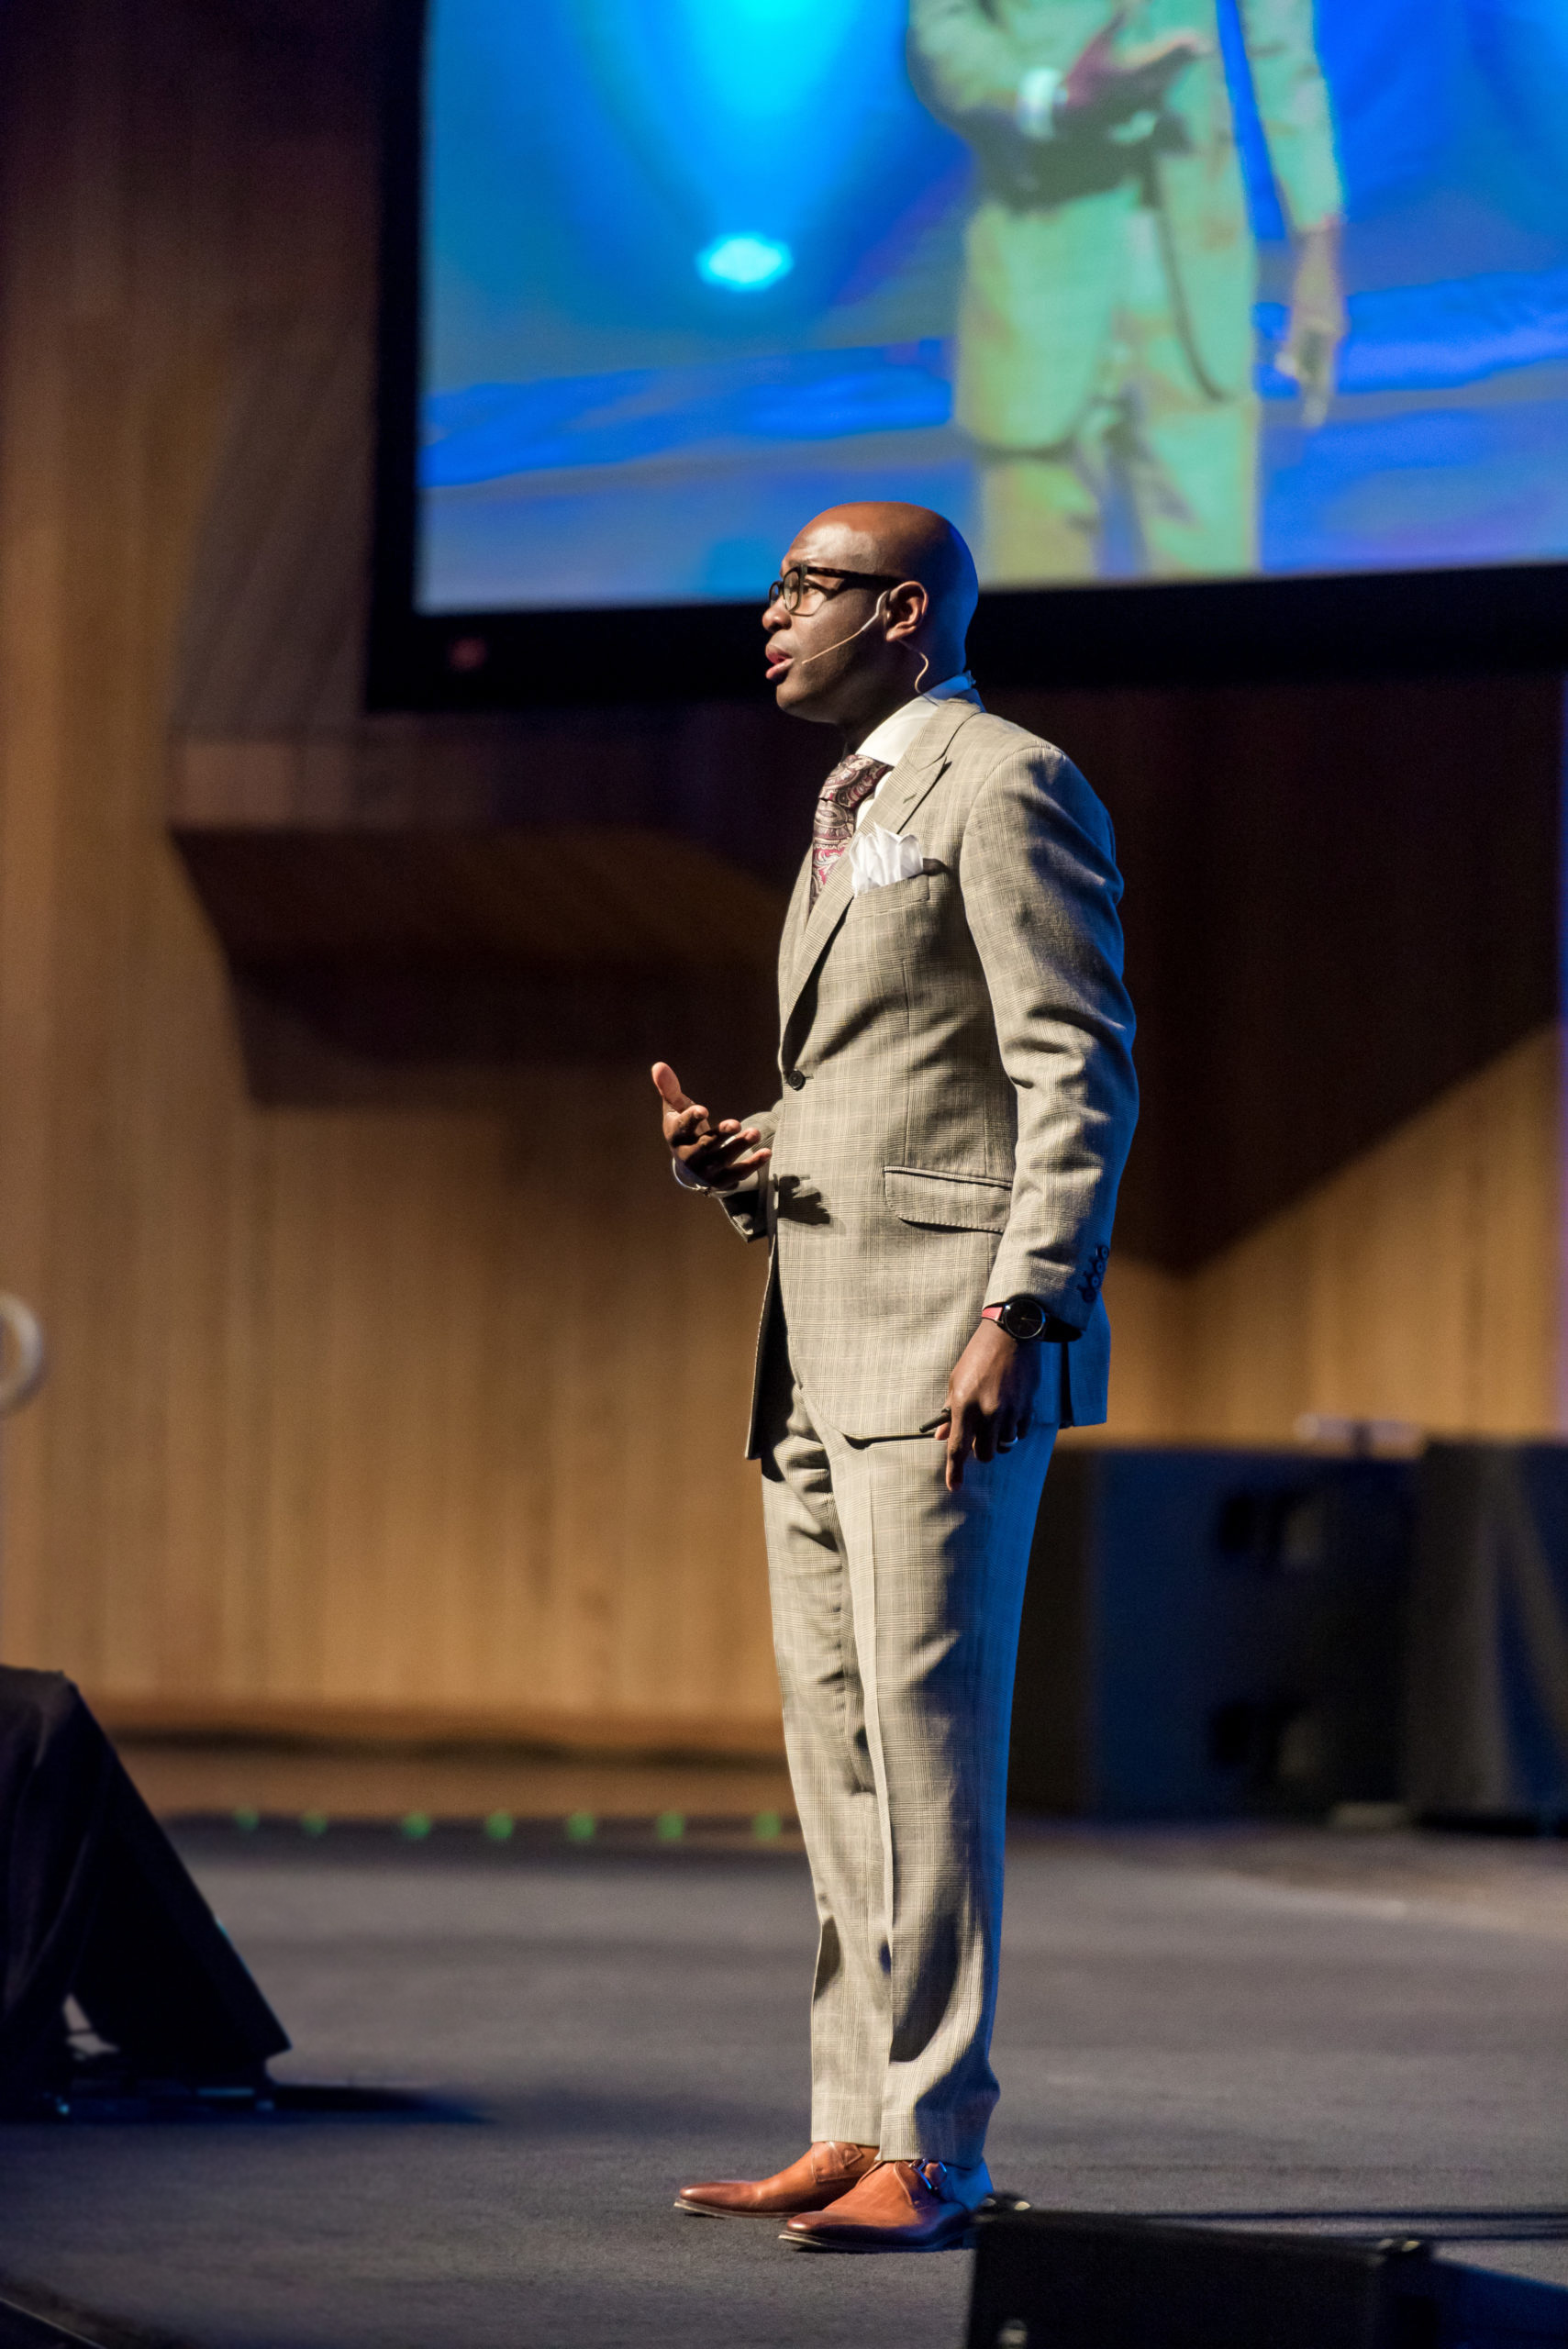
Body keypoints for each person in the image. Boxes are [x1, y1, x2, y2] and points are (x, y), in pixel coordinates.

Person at [653, 501, 1137, 2251]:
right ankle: (848, 2115)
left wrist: (1024, 1314)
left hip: (946, 1350)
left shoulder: (1000, 784)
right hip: (812, 1337)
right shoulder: (847, 809)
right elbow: (900, 1090)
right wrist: (754, 1149)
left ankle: (935, 2146)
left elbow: (1072, 1072)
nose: (768, 613)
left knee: (926, 1756)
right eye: (775, 582)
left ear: (901, 610)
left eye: (805, 585)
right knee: (839, 1757)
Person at [906, 0, 1346, 582]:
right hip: (1036, 260)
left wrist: (1318, 250)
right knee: (1031, 618)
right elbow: (939, 28)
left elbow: (1285, 47)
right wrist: (1049, 99)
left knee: (1221, 618)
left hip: (1198, 282)